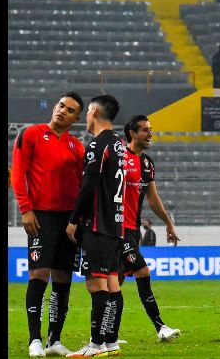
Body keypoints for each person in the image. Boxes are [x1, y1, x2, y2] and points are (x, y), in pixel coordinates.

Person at [11, 92, 85, 357]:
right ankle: (35, 340)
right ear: (55, 107)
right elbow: (18, 172)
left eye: (70, 110)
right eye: (61, 105)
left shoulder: (77, 147)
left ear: (76, 118)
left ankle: (54, 339)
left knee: (63, 278)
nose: (62, 110)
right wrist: (26, 209)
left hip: (68, 221)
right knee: (38, 275)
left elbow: (82, 186)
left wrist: (79, 220)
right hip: (40, 217)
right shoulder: (31, 134)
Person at [64, 95, 126, 357]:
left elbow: (88, 185)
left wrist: (73, 220)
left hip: (98, 223)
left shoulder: (97, 145)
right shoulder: (120, 145)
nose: (86, 117)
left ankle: (95, 343)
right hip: (116, 225)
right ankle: (110, 342)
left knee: (95, 284)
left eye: (87, 111)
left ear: (95, 112)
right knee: (112, 283)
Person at [119, 115, 182, 342]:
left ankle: (105, 336)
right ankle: (160, 327)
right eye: (145, 130)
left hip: (132, 230)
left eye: (150, 129)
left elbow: (153, 199)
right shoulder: (118, 157)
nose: (150, 133)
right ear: (132, 133)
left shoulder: (147, 162)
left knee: (115, 282)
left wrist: (168, 223)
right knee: (142, 271)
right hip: (116, 229)